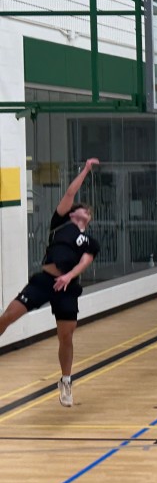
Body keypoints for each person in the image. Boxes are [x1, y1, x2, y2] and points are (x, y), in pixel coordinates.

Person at [0, 158, 100, 407]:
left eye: (87, 211)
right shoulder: (60, 223)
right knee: (9, 315)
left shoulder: (90, 241)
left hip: (67, 287)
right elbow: (70, 192)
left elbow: (85, 262)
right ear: (72, 213)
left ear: (89, 219)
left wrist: (68, 276)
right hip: (44, 281)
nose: (84, 210)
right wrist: (86, 170)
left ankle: (66, 381)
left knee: (66, 336)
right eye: (80, 208)